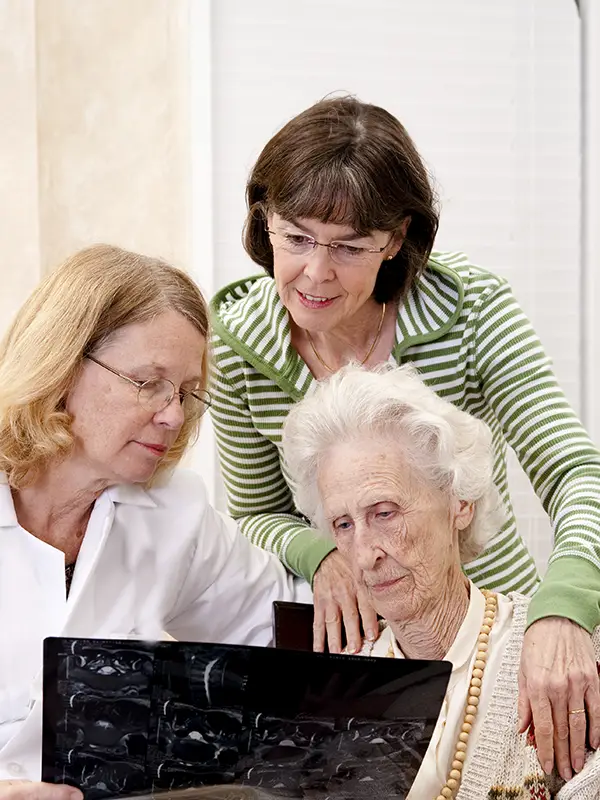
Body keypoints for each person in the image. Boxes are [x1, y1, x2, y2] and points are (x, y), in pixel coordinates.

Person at [209, 95, 600, 778]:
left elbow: (574, 469)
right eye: (295, 237)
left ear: (395, 239)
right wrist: (320, 552)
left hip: (498, 641)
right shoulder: (239, 344)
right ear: (263, 219)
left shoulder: (471, 311)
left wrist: (563, 609)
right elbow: (252, 514)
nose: (315, 273)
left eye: (350, 247)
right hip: (363, 656)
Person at [0, 245, 311, 786]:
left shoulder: (173, 509)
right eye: (149, 383)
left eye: (188, 393)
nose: (172, 416)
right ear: (64, 364)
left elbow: (283, 625)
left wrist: (342, 555)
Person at [281, 363, 600, 799]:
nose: (365, 554)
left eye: (385, 513)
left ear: (459, 501)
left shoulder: (563, 664)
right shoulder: (338, 696)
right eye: (343, 524)